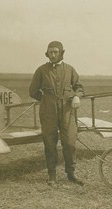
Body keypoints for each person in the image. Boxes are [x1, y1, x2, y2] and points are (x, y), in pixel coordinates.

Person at [29, 41, 84, 186]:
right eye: (50, 52)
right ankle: (52, 175)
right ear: (47, 53)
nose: (53, 55)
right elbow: (32, 91)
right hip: (48, 112)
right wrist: (46, 99)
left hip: (67, 111)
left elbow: (79, 86)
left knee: (70, 142)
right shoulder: (41, 70)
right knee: (49, 142)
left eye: (55, 52)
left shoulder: (70, 69)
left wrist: (76, 96)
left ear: (61, 53)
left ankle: (71, 173)